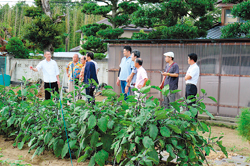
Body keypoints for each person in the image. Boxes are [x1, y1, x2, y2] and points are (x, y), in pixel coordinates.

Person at [185, 53, 200, 118]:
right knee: (188, 102)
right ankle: (189, 116)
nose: (187, 60)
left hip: (191, 86)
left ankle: (193, 117)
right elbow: (186, 76)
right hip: (188, 85)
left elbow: (189, 76)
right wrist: (186, 77)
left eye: (188, 58)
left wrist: (186, 77)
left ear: (192, 60)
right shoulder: (191, 67)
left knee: (191, 103)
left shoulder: (195, 67)